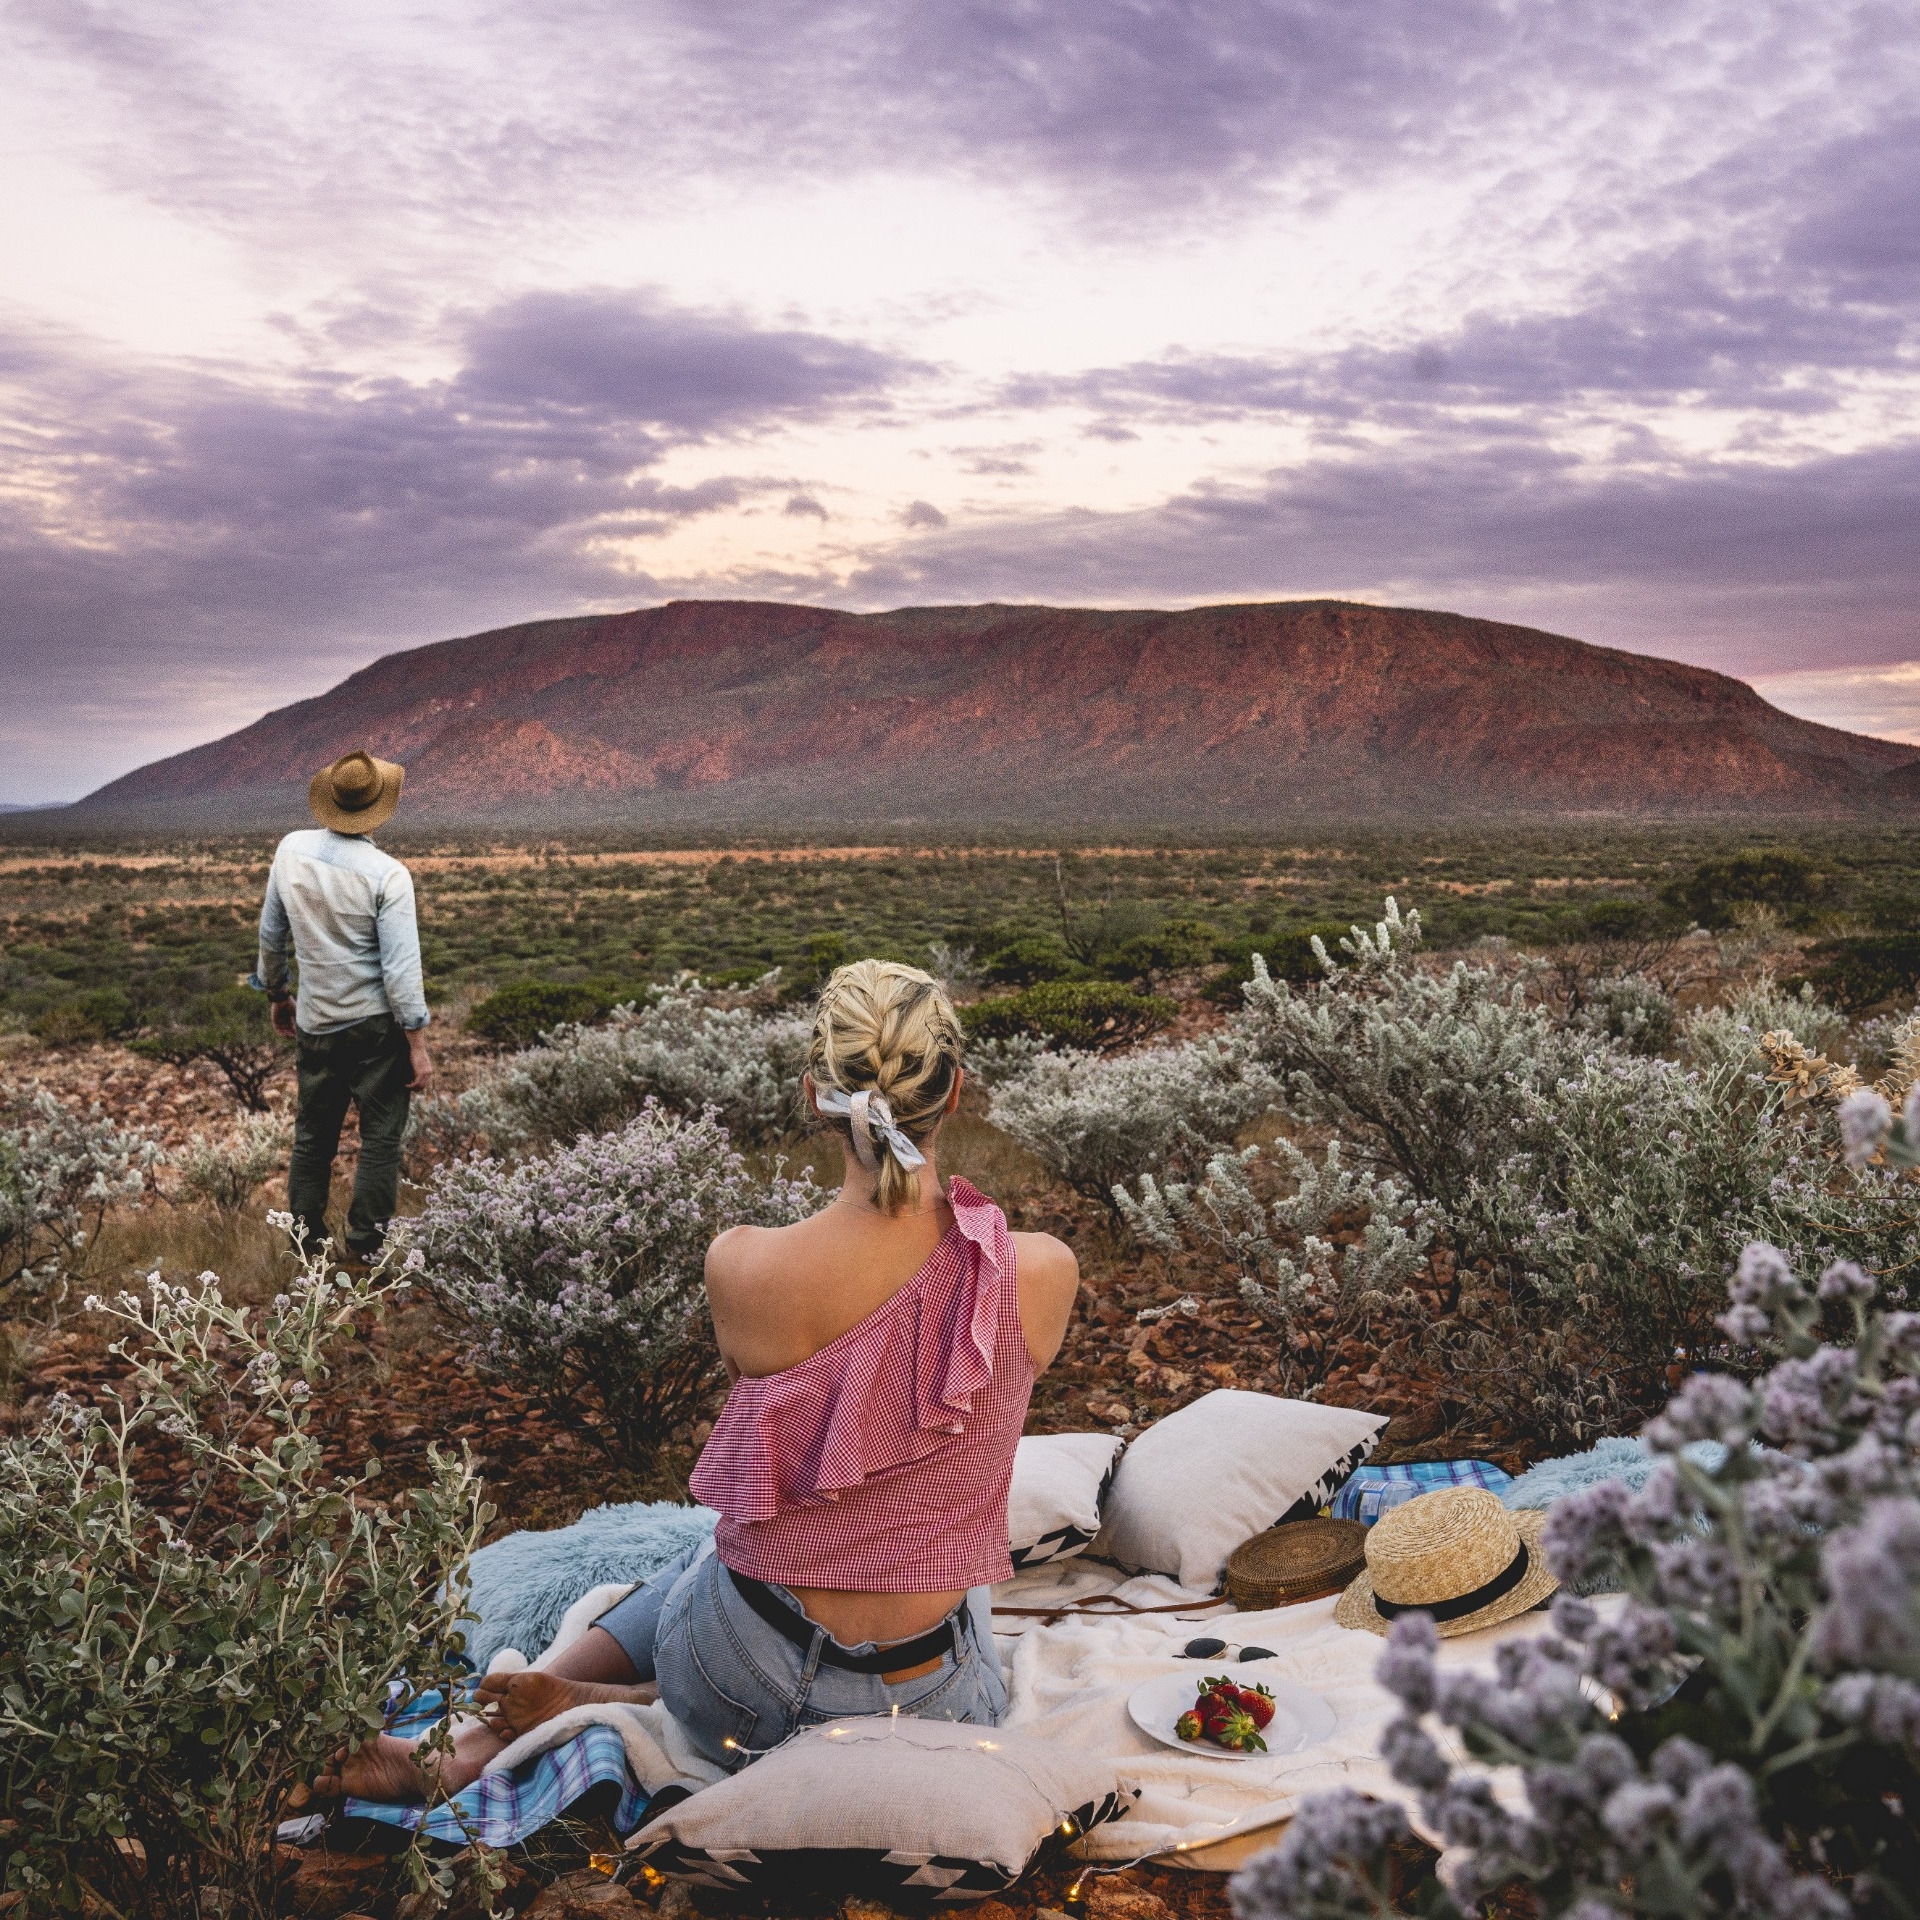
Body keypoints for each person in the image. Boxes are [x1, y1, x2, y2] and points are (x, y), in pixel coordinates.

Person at [319, 960, 1077, 1803]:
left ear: (813, 1094)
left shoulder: (744, 1266)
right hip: (931, 1709)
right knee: (949, 1582)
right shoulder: (1040, 1273)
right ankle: (625, 1703)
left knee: (722, 1546)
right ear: (957, 1091)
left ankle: (484, 1739)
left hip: (737, 1687)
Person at [252, 749, 433, 1261]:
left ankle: (305, 1248)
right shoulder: (388, 875)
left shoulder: (290, 850)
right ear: (383, 807)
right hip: (375, 1029)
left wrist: (278, 994)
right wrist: (417, 1043)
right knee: (379, 1140)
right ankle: (364, 1252)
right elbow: (400, 971)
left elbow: (271, 932)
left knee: (312, 1136)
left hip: (315, 1021)